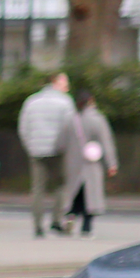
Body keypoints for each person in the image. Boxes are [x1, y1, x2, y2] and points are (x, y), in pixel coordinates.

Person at [18, 72, 78, 237]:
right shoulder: (66, 102)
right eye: (65, 82)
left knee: (38, 188)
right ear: (55, 82)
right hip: (58, 151)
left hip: (36, 150)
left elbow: (23, 127)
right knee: (61, 185)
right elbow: (70, 127)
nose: (67, 85)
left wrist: (30, 146)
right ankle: (56, 221)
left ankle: (37, 226)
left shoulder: (31, 101)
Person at [63, 90, 117, 236]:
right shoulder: (98, 119)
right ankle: (87, 227)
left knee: (76, 193)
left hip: (73, 162)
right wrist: (111, 163)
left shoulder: (70, 120)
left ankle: (71, 215)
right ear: (91, 101)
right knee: (90, 194)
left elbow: (61, 142)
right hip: (92, 163)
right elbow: (106, 142)